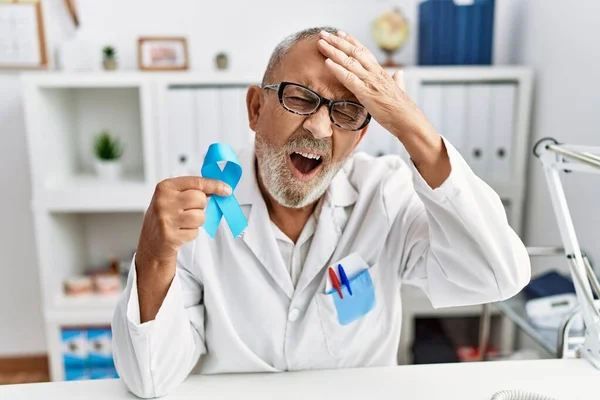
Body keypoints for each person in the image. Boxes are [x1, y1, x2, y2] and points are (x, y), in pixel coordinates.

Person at [111, 26, 531, 398]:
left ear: (364, 133)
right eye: (299, 98)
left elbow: (497, 276)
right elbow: (149, 378)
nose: (320, 127)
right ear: (256, 108)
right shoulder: (199, 212)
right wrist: (153, 256)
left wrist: (411, 126)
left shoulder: (384, 194)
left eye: (346, 111)